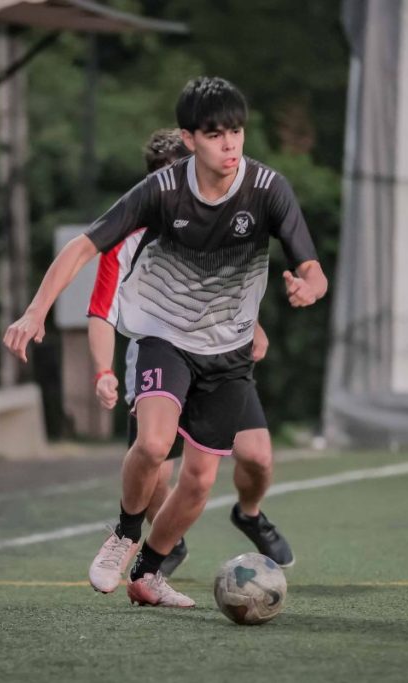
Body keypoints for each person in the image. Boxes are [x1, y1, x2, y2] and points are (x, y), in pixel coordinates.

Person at [4, 76, 327, 608]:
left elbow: (311, 266)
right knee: (154, 446)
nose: (229, 145)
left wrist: (309, 286)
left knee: (199, 481)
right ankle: (126, 531)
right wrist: (35, 311)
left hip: (228, 350)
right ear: (190, 138)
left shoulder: (269, 189)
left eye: (236, 132)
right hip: (164, 333)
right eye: (215, 135)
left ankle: (148, 573)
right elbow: (83, 247)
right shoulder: (162, 189)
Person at [88, 129, 294, 579]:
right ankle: (164, 540)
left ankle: (250, 514)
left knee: (257, 457)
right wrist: (103, 370)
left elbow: (229, 283)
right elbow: (101, 311)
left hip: (219, 358)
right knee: (155, 467)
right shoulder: (129, 234)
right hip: (162, 356)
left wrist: (254, 325)